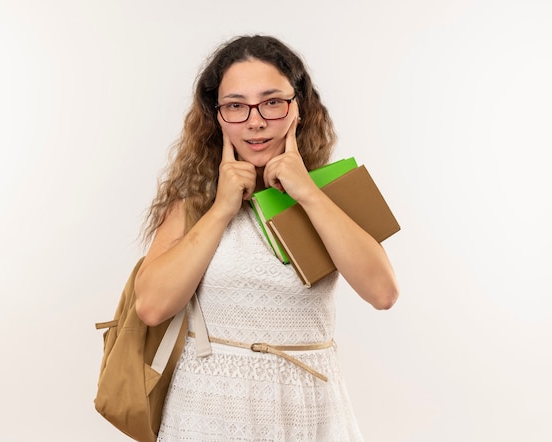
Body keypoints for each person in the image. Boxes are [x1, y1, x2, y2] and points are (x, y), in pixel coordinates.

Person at [134, 34, 399, 441]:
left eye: (272, 102)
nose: (255, 121)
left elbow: (383, 293)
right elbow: (151, 307)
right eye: (236, 105)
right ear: (217, 116)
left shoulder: (331, 192)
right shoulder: (194, 202)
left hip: (310, 406)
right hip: (211, 405)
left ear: (299, 108)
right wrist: (221, 208)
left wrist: (306, 192)